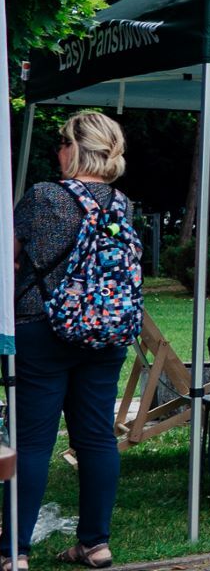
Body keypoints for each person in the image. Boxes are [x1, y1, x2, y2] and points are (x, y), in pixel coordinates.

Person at [4, 112, 142, 569]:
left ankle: (15, 551)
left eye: (62, 141)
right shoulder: (121, 204)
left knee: (34, 442)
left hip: (42, 329)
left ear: (74, 148)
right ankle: (95, 544)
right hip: (106, 333)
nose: (57, 150)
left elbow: (10, 261)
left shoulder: (44, 196)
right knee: (97, 438)